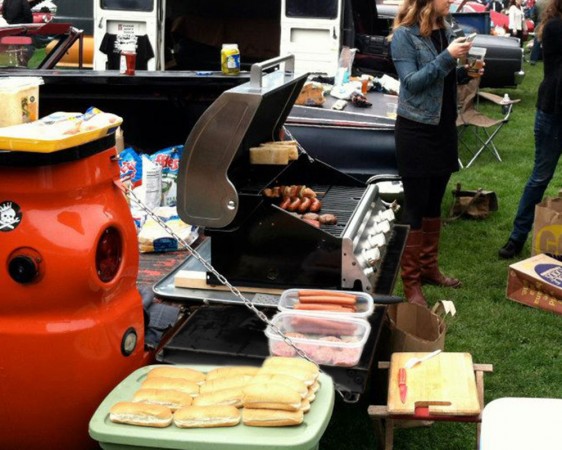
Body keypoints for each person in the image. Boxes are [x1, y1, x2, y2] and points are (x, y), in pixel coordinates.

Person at [389, 0, 474, 307]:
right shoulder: (404, 35)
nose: (450, 0)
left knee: (435, 202)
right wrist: (446, 58)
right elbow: (411, 84)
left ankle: (428, 268)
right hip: (416, 130)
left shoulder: (446, 30)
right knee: (415, 204)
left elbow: (443, 78)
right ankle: (410, 283)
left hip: (443, 128)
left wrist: (465, 72)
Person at [499, 0, 562, 258]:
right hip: (553, 113)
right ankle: (517, 237)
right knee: (540, 178)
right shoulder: (555, 27)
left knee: (539, 177)